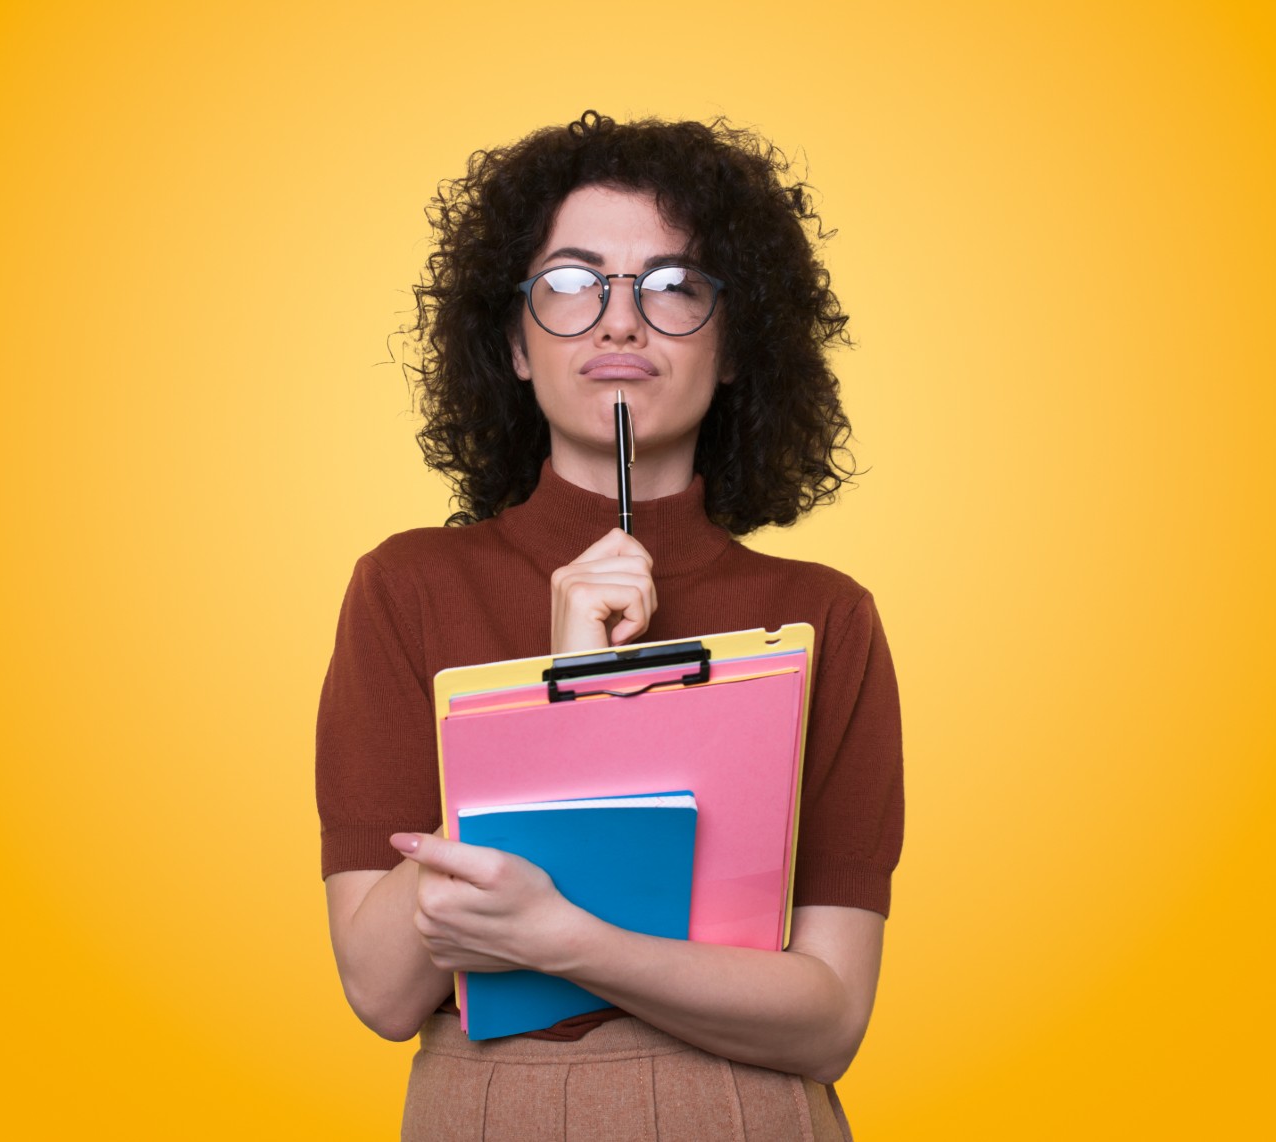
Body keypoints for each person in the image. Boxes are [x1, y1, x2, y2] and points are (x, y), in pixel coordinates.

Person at [317, 110, 904, 1140]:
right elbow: (380, 987)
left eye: (674, 286)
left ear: (732, 348)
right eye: (573, 283)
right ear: (512, 340)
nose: (620, 323)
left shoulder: (823, 617)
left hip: (742, 1107)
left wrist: (568, 939)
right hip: (487, 1106)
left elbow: (829, 1018)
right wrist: (559, 690)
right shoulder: (405, 588)